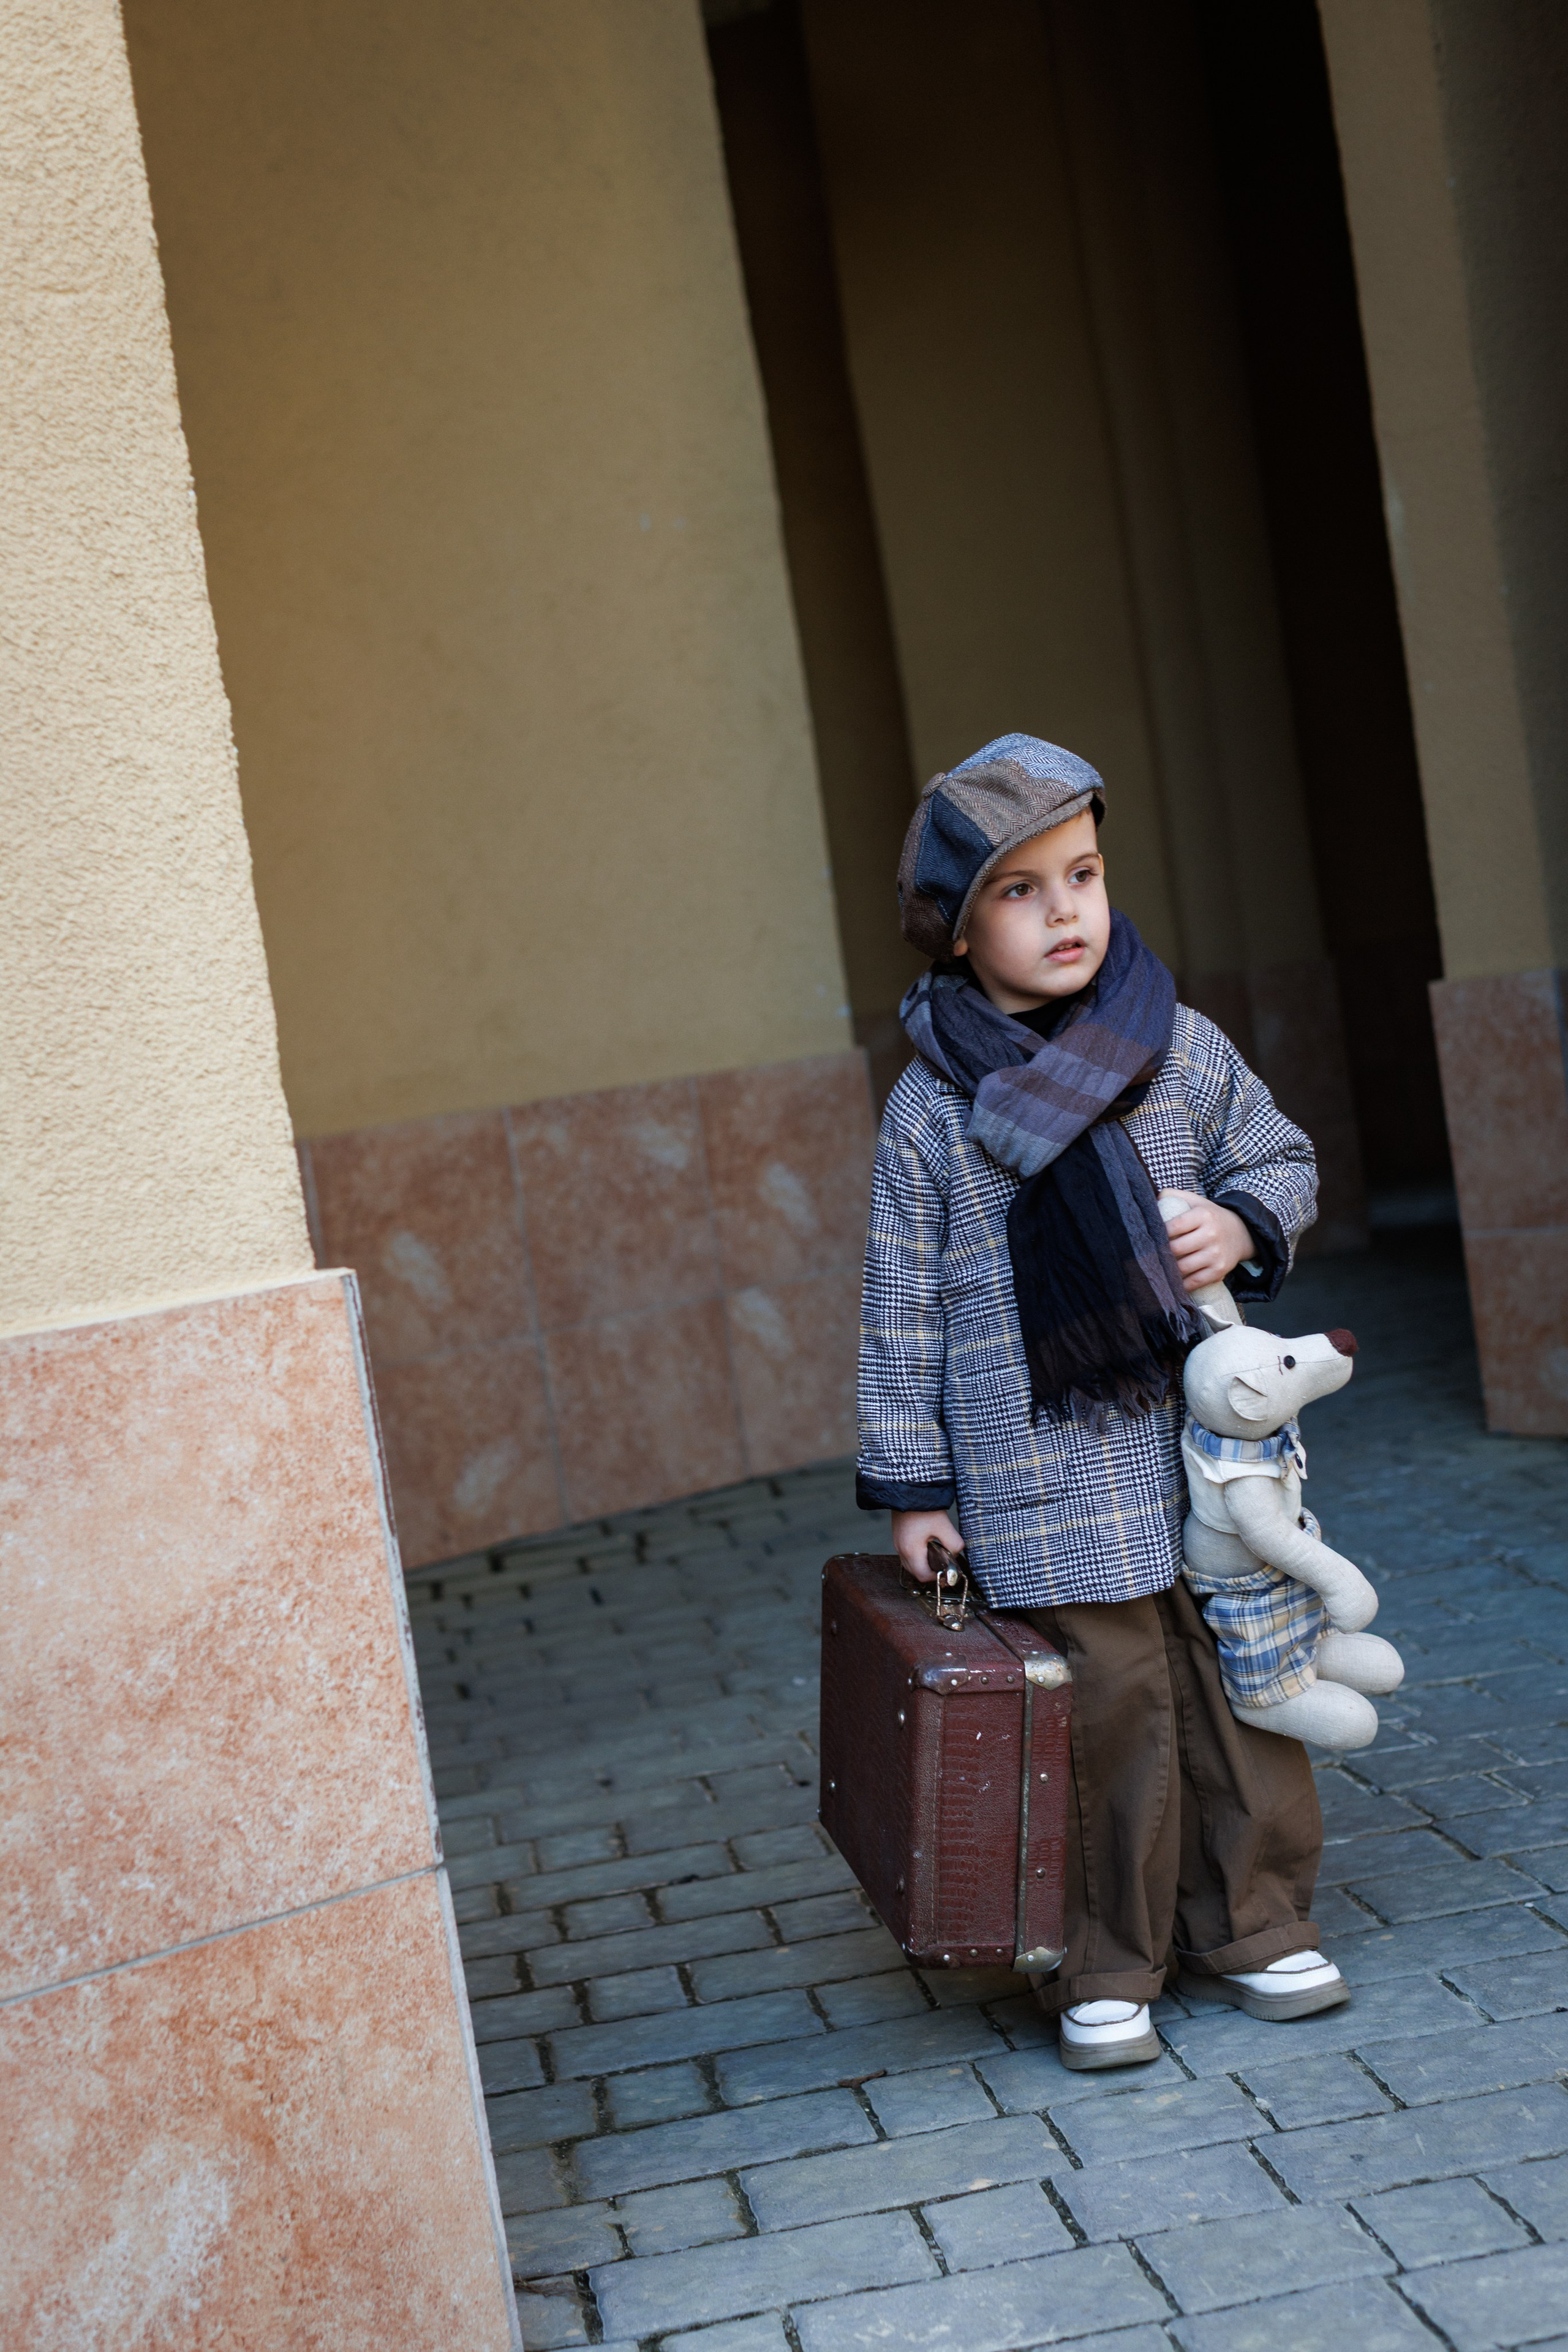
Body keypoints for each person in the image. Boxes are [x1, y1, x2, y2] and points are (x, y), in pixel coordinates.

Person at [856, 733, 1347, 2068]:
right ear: (954, 934)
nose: (1065, 908)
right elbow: (901, 1304)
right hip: (1036, 1462)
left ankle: (1250, 1922)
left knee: (1239, 1680)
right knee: (1105, 1706)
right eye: (1017, 890)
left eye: (1080, 873)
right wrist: (915, 1487)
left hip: (1197, 1453)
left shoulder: (1174, 1047)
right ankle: (1102, 1956)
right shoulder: (929, 1107)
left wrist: (1239, 1227)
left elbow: (1279, 1156)